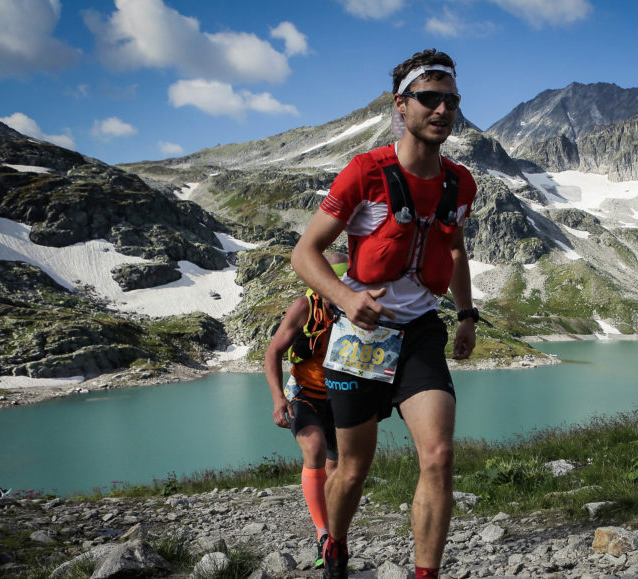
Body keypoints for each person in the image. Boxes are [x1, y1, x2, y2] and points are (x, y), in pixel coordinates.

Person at [291, 48, 478, 579]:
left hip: (421, 333)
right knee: (352, 469)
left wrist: (466, 315)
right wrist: (346, 298)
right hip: (359, 336)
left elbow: (457, 250)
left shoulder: (460, 182)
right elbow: (304, 254)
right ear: (402, 105)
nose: (443, 110)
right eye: (430, 99)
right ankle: (336, 543)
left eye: (452, 100)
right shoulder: (365, 173)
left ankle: (425, 574)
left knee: (439, 455)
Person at [263, 252, 349, 569]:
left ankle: (336, 537)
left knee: (338, 471)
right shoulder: (304, 308)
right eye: (335, 283)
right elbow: (273, 353)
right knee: (313, 447)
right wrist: (277, 399)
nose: (341, 290)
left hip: (342, 396)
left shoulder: (355, 307)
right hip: (304, 394)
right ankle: (323, 535)